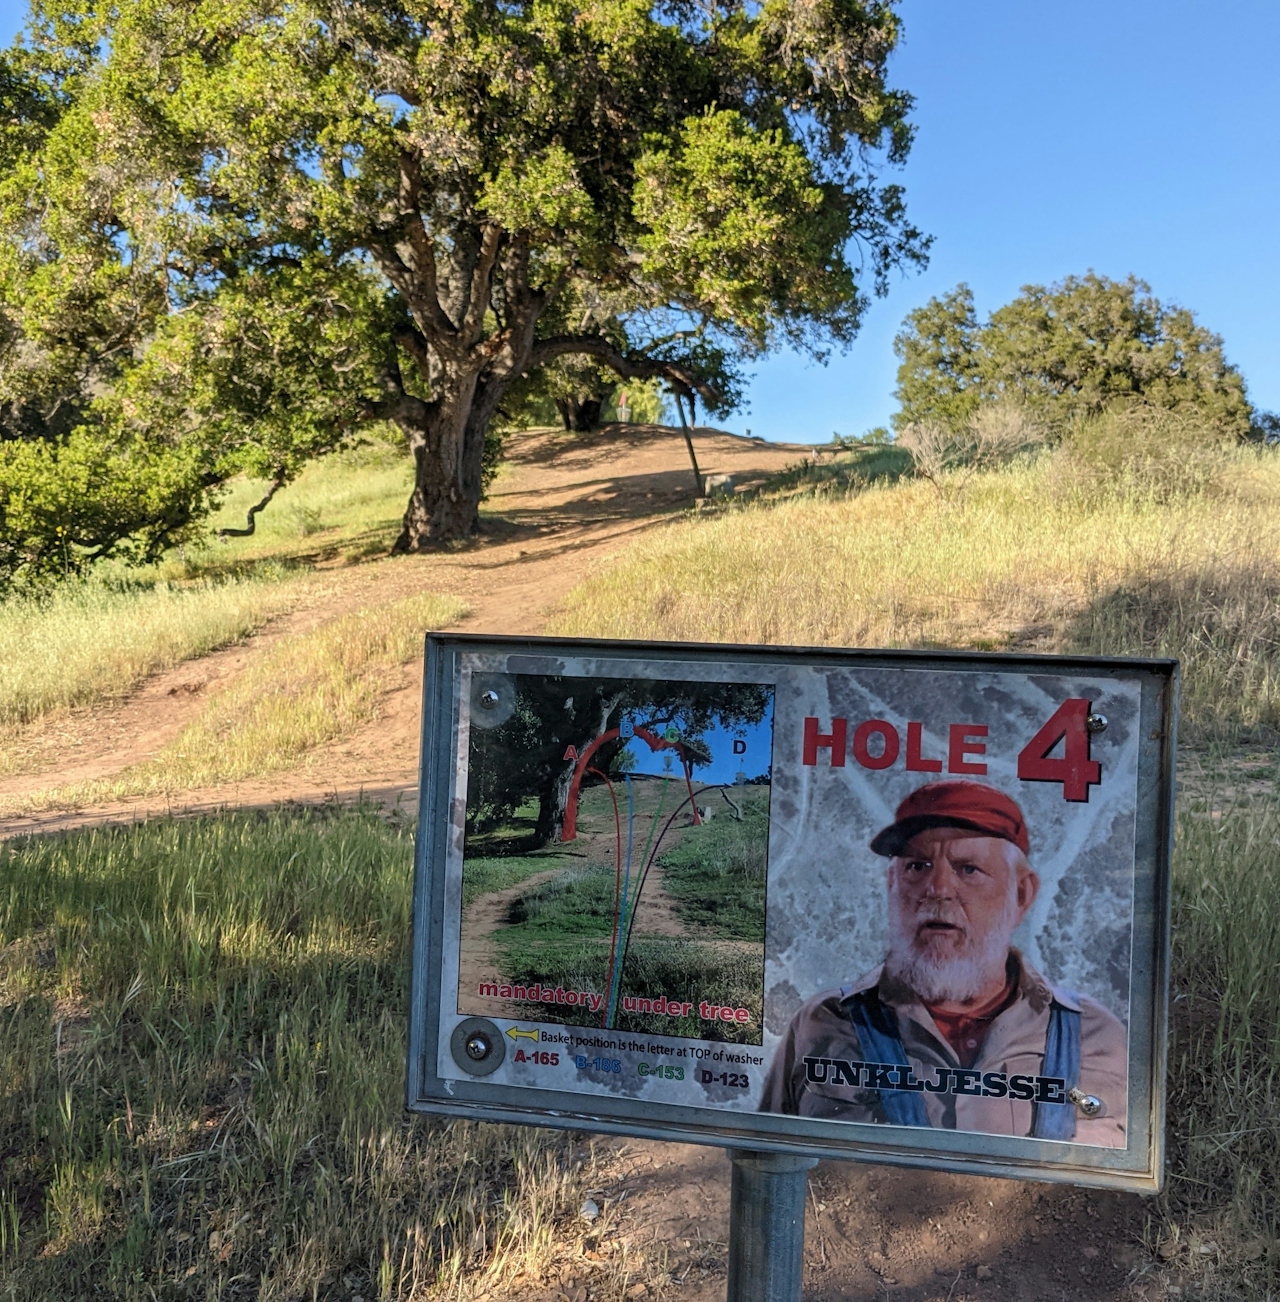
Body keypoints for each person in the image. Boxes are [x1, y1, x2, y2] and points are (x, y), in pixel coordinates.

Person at [759, 780, 1128, 1146]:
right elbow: (767, 1168)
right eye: (918, 866)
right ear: (892, 883)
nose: (937, 888)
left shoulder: (1094, 1039)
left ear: (1021, 894)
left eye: (968, 869)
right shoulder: (822, 1026)